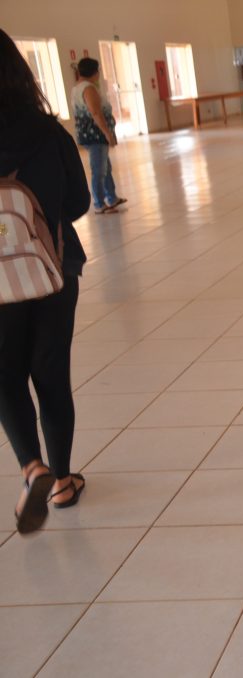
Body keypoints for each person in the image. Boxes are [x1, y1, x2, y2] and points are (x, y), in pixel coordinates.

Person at [0, 29, 91, 534]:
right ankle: (61, 482)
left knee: (4, 374)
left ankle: (31, 466)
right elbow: (78, 203)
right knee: (49, 372)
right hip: (54, 267)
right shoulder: (47, 131)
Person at [71, 57, 125, 214]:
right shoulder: (88, 88)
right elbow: (96, 112)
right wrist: (107, 133)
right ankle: (99, 203)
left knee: (105, 168)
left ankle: (111, 197)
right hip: (95, 135)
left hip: (91, 134)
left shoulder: (78, 87)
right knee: (100, 170)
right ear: (94, 72)